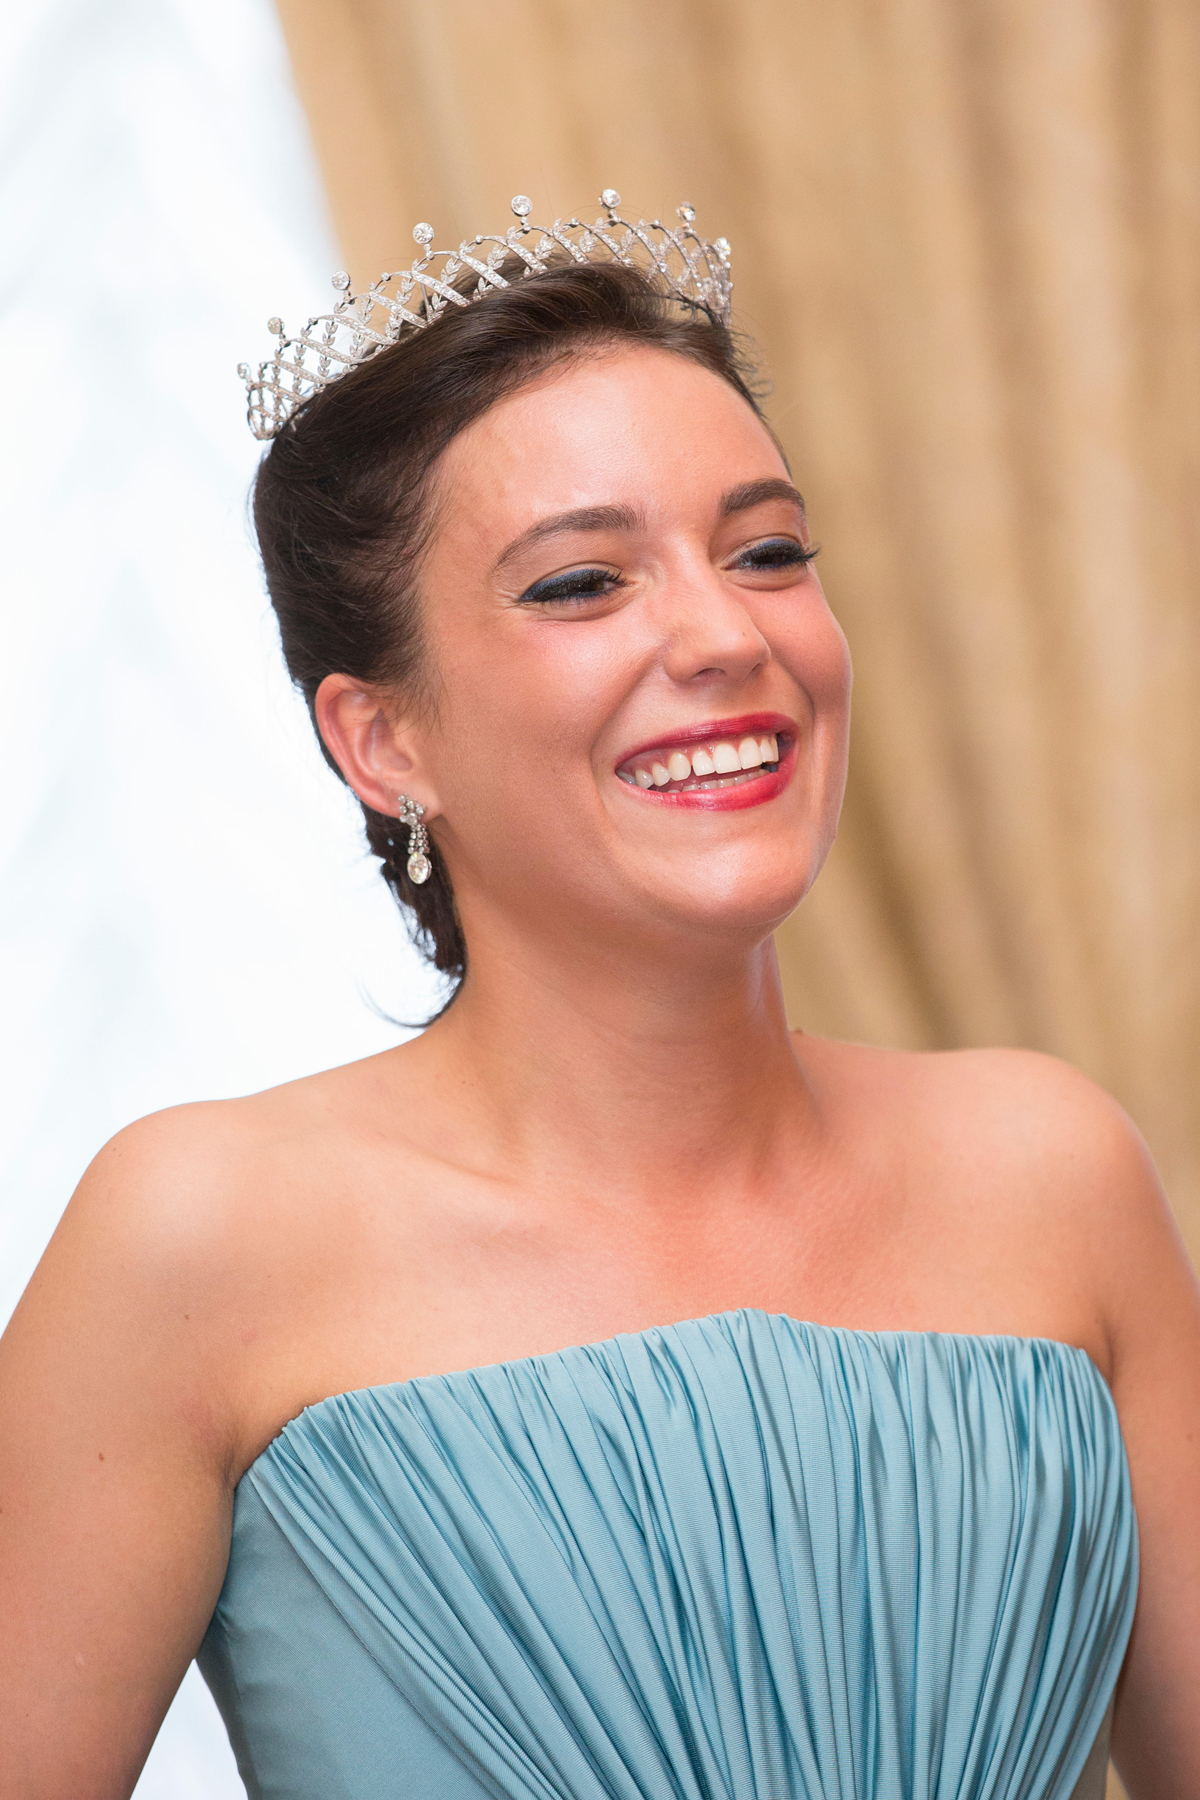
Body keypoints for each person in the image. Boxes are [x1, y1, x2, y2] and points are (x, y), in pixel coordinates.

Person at [1, 196, 1197, 1800]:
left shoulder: (1051, 1172)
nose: (722, 634)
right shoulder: (198, 1235)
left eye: (766, 552)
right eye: (581, 585)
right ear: (382, 742)